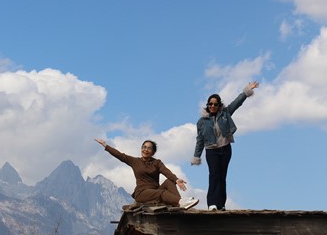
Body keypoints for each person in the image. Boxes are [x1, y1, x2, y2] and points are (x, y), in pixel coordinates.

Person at [191, 81, 259, 211]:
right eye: (210, 104)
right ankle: (212, 203)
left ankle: (221, 204)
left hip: (225, 148)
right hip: (211, 150)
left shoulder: (225, 114)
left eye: (215, 104)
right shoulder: (202, 122)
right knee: (214, 175)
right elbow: (200, 140)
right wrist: (196, 156)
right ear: (207, 105)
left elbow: (237, 103)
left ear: (219, 105)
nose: (212, 106)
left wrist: (247, 91)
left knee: (222, 176)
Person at [95, 138, 199, 209]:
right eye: (144, 147)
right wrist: (105, 145)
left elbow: (166, 171)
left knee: (169, 181)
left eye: (149, 148)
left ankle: (179, 204)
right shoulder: (135, 161)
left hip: (155, 191)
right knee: (161, 193)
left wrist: (176, 180)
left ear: (153, 152)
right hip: (142, 193)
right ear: (141, 149)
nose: (146, 150)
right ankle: (181, 202)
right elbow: (120, 155)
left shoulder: (157, 162)